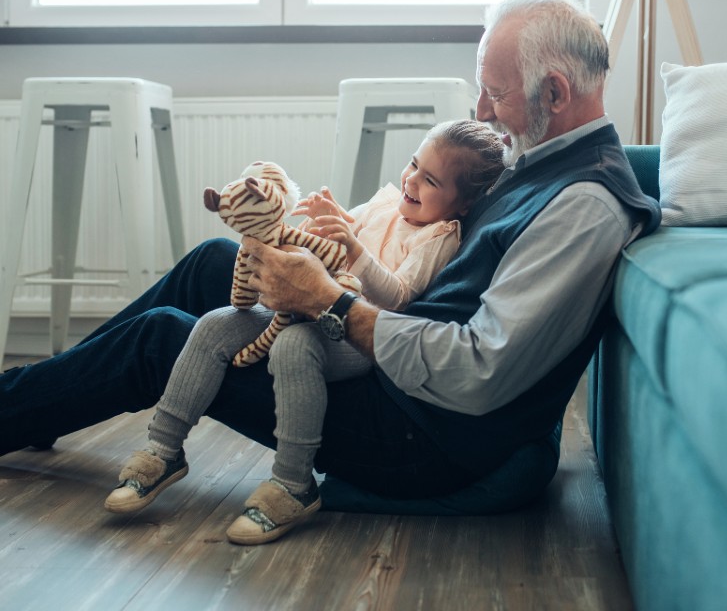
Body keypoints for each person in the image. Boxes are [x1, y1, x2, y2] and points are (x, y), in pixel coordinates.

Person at [0, 0, 661, 547]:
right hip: (391, 368)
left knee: (166, 338)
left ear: (556, 90)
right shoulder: (544, 153)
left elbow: (477, 371)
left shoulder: (583, 210)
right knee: (214, 264)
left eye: (493, 95)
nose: (481, 112)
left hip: (418, 430)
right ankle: (43, 399)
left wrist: (333, 303)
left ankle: (21, 407)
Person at [102, 120, 506, 546]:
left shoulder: (439, 236)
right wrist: (329, 220)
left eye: (431, 181)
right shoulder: (389, 201)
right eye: (413, 165)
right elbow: (342, 235)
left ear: (462, 204)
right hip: (306, 306)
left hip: (355, 334)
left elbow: (399, 298)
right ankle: (163, 450)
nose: (412, 181)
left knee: (294, 347)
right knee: (214, 325)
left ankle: (293, 484)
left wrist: (352, 247)